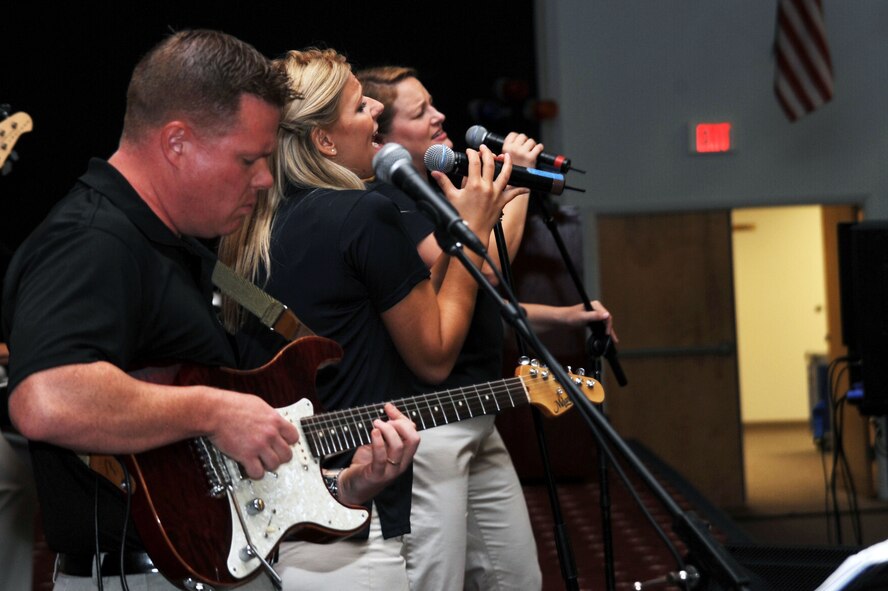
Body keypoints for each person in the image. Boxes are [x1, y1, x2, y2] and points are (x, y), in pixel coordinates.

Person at [1, 30, 417, 591]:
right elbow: (45, 398)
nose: (266, 179)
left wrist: (344, 486)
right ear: (177, 143)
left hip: (204, 564)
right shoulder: (93, 241)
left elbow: (194, 469)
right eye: (249, 159)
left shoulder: (170, 245)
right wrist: (214, 409)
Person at [217, 48, 521, 590]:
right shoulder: (362, 212)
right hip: (356, 512)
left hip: (277, 508)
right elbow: (434, 355)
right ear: (324, 141)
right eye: (361, 107)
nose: (376, 112)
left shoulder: (248, 227)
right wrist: (472, 230)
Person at [357, 65, 618, 591]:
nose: (439, 116)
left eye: (434, 103)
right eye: (420, 111)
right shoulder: (387, 205)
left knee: (515, 577)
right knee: (438, 579)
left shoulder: (435, 191)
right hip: (431, 424)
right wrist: (516, 188)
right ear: (382, 135)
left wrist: (565, 316)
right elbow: (486, 265)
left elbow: (470, 294)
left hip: (480, 412)